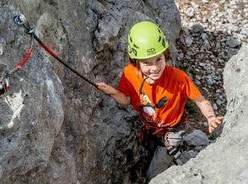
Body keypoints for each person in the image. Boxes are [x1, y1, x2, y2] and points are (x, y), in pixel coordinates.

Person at [96, 21, 224, 180]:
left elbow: (200, 101)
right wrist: (112, 92)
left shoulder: (178, 78)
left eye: (158, 59)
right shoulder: (130, 74)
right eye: (146, 63)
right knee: (150, 148)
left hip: (172, 129)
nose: (154, 68)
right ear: (136, 62)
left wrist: (210, 118)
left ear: (166, 54)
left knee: (153, 173)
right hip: (150, 125)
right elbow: (127, 100)